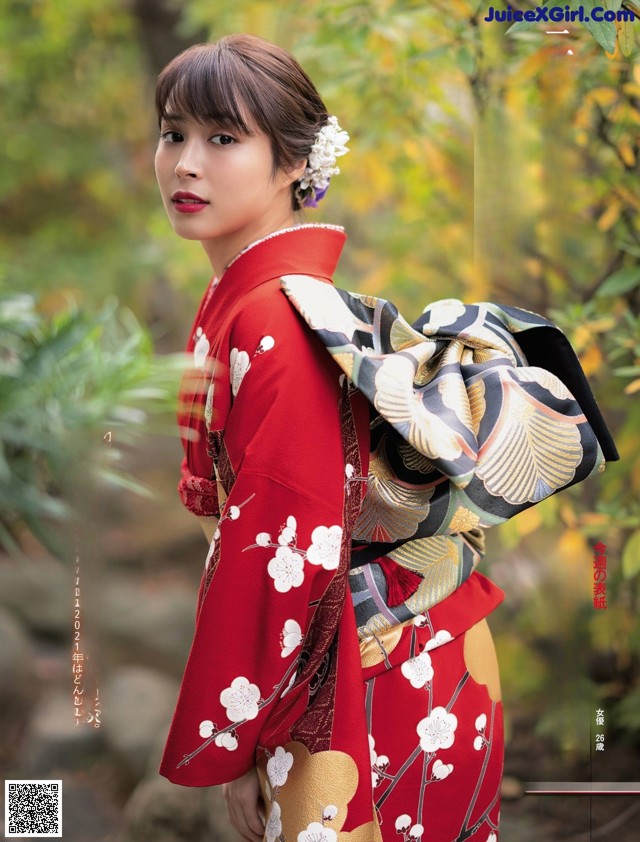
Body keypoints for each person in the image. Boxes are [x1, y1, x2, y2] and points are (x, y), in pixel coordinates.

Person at [154, 35, 618, 842]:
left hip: (371, 682)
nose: (186, 163)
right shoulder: (254, 299)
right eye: (173, 134)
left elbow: (280, 543)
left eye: (222, 138)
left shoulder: (272, 313)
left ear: (295, 162)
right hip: (382, 656)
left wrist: (235, 741)